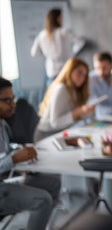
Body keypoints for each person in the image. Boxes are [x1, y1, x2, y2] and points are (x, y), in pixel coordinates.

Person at [0, 77, 61, 230]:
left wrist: (17, 152)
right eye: (7, 100)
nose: (13, 105)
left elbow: (3, 152)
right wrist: (14, 159)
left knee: (53, 183)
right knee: (43, 200)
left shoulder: (3, 123)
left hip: (4, 181)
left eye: (13, 99)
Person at [34, 58, 94, 141]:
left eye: (85, 75)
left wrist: (86, 111)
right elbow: (55, 123)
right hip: (46, 135)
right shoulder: (61, 89)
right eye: (79, 73)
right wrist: (76, 113)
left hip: (61, 132)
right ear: (70, 71)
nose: (82, 78)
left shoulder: (75, 90)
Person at [30, 8, 85, 87]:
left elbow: (34, 53)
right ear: (58, 18)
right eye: (60, 16)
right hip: (66, 69)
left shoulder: (42, 35)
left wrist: (47, 53)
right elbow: (80, 42)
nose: (61, 19)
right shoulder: (63, 32)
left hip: (52, 71)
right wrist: (72, 53)